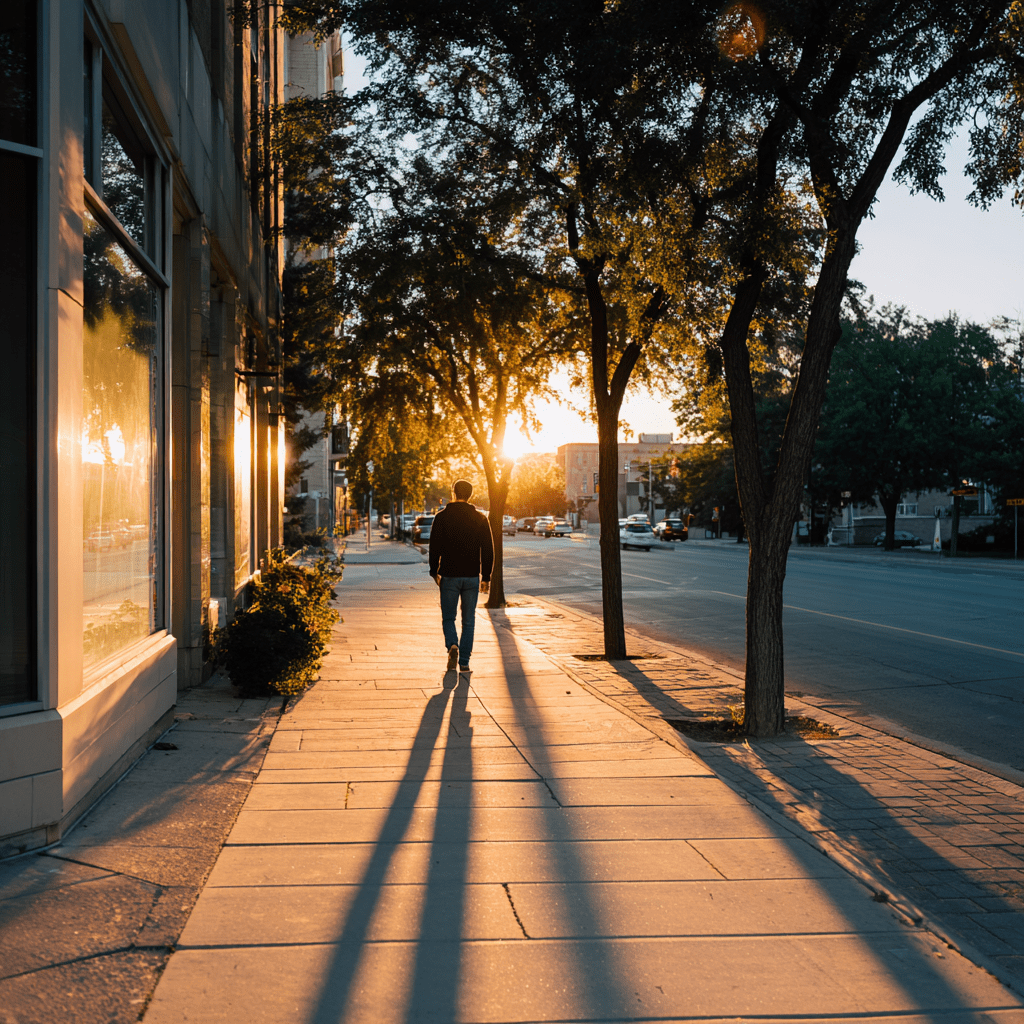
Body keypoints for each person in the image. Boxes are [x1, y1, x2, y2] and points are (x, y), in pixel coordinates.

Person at [428, 479, 494, 675]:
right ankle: (464, 662)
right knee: (469, 620)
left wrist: (434, 571)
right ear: (470, 495)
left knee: (448, 617)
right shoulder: (481, 518)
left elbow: (434, 547)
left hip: (449, 575)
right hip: (471, 576)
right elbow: (488, 549)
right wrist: (486, 577)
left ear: (453, 493)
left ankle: (452, 646)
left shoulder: (442, 517)